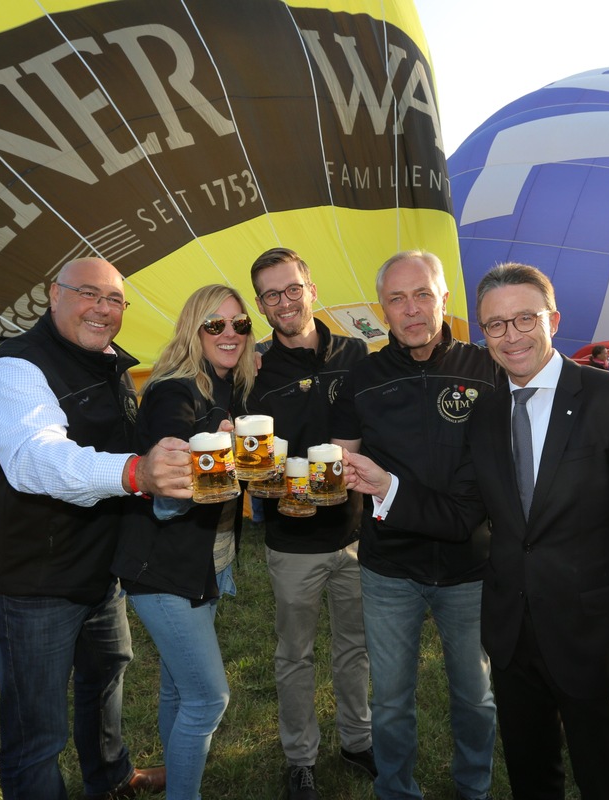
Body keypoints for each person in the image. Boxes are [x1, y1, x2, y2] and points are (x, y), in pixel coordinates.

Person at [343, 262, 609, 799]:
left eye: (524, 319)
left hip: (593, 640)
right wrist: (386, 486)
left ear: (552, 319)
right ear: (482, 333)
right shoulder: (484, 413)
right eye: (496, 325)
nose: (511, 337)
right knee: (532, 781)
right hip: (511, 642)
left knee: (605, 782)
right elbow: (462, 515)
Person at [0, 257, 186, 800]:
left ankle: (111, 779)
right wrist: (137, 473)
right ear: (53, 293)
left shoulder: (108, 363)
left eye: (114, 300)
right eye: (89, 294)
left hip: (98, 567)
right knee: (36, 731)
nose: (103, 309)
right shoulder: (13, 370)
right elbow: (38, 460)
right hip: (32, 580)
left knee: (106, 674)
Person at [331, 250, 498, 800]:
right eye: (397, 299)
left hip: (472, 566)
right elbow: (338, 463)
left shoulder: (487, 367)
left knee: (475, 693)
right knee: (392, 699)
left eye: (422, 293)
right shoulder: (362, 377)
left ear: (444, 298)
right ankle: (395, 791)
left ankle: (472, 788)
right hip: (389, 569)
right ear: (381, 310)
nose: (411, 309)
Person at [112, 284, 257, 800]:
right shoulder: (176, 391)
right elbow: (166, 496)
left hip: (206, 561)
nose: (230, 334)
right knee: (207, 698)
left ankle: (176, 775)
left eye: (239, 324)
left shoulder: (228, 387)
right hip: (163, 568)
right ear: (193, 329)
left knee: (178, 684)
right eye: (214, 324)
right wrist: (209, 467)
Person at [246, 248, 375, 799]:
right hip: (291, 539)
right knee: (294, 655)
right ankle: (300, 757)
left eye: (291, 289)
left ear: (311, 289)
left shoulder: (356, 351)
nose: (284, 302)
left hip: (353, 534)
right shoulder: (253, 366)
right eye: (271, 295)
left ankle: (359, 740)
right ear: (260, 305)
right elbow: (244, 452)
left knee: (355, 647)